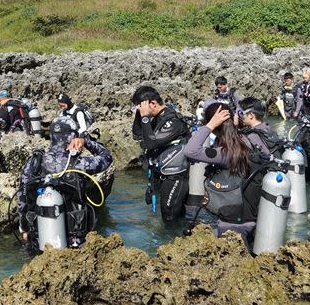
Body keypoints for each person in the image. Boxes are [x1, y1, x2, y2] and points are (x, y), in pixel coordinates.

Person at [17, 116, 112, 248]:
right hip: (74, 240)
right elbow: (107, 157)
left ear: (51, 136)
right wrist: (86, 142)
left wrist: (24, 228)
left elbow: (22, 196)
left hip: (40, 238)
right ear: (73, 137)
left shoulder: (35, 162)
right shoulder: (80, 164)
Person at [184, 103, 270, 244]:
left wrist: (209, 125)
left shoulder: (225, 153)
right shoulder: (247, 139)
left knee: (191, 216)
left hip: (226, 215)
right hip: (249, 212)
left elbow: (190, 151)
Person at [131, 86, 191, 221]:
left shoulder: (173, 121)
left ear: (152, 103)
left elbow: (151, 143)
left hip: (175, 176)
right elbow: (137, 136)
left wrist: (145, 118)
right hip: (161, 174)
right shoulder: (157, 119)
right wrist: (139, 115)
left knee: (169, 216)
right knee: (163, 214)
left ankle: (179, 240)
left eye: (141, 106)